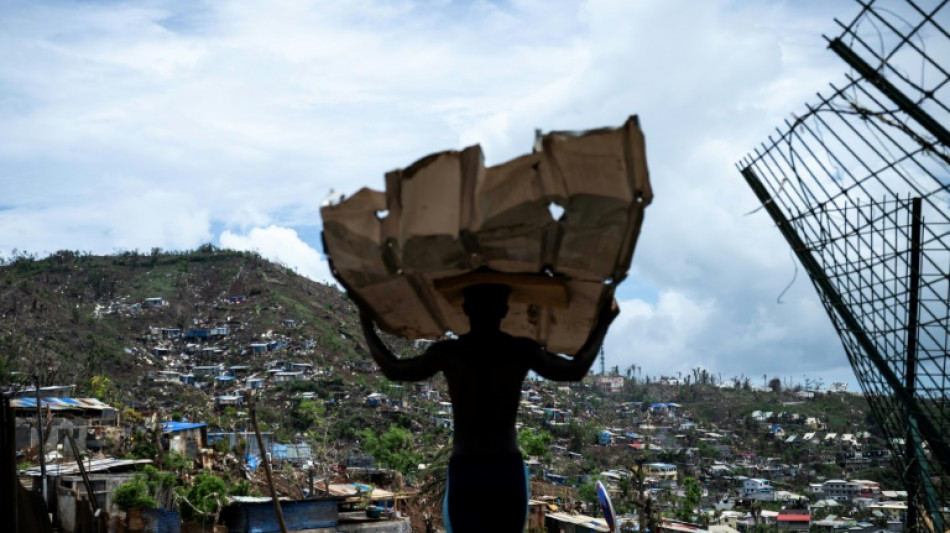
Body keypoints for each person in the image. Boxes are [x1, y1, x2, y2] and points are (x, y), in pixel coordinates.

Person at [357, 282, 620, 532]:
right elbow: (575, 369)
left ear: (465, 308)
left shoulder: (450, 352)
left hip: (467, 467)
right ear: (504, 310)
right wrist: (603, 323)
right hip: (504, 467)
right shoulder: (518, 349)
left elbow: (394, 369)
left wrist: (366, 322)